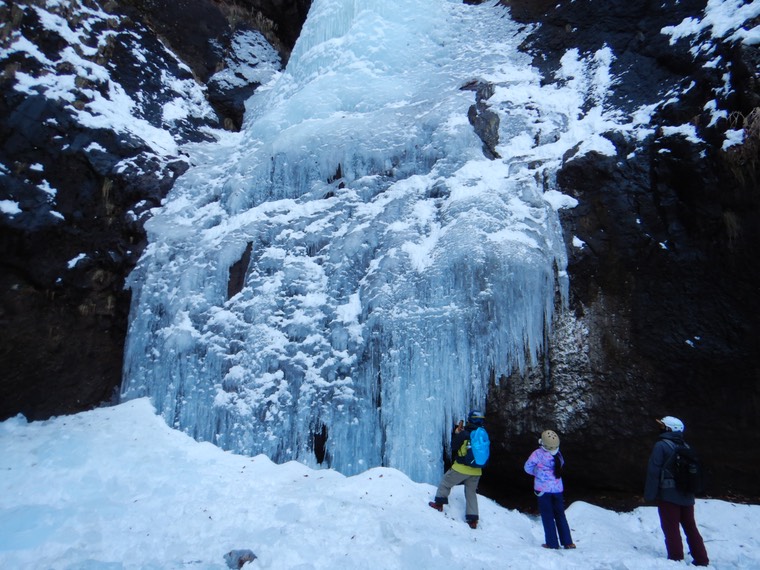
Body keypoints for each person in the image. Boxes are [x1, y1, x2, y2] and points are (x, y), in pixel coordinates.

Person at [644, 416, 709, 566]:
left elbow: (653, 471)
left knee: (671, 527)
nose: (660, 428)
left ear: (668, 429)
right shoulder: (685, 446)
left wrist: (649, 495)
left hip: (669, 496)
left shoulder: (661, 446)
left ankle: (676, 560)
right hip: (687, 494)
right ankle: (702, 560)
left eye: (662, 426)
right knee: (690, 527)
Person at [428, 410, 487, 529]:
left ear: (470, 419)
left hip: (461, 468)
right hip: (476, 470)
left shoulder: (465, 433)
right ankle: (473, 520)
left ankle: (439, 504)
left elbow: (454, 446)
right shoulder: (483, 433)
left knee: (445, 482)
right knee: (471, 493)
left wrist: (457, 433)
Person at [524, 430, 576, 550]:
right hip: (557, 489)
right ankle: (568, 542)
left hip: (543, 490)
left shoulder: (538, 454)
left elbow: (527, 467)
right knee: (560, 515)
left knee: (547, 516)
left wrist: (537, 472)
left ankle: (552, 543)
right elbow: (561, 465)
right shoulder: (558, 454)